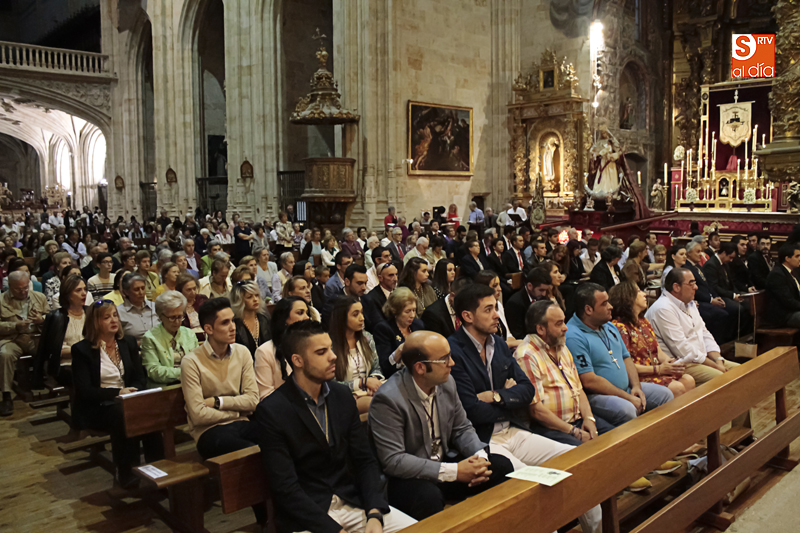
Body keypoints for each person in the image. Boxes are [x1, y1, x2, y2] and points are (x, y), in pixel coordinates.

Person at [447, 283, 602, 531]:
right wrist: (509, 397)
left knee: (577, 463)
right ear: (467, 316)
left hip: (512, 429)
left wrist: (497, 397)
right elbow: (471, 410)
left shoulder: (497, 344)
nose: (497, 314)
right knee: (533, 486)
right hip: (482, 439)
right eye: (488, 310)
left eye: (495, 308)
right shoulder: (452, 350)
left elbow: (526, 389)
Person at [255, 320, 416, 532]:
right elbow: (286, 488)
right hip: (309, 517)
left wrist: (375, 513)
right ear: (297, 360)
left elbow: (365, 461)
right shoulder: (272, 410)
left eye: (330, 348)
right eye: (321, 352)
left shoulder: (340, 396)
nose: (333, 356)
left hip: (353, 503)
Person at [369, 330, 514, 521]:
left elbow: (462, 427)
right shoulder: (388, 399)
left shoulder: (446, 382)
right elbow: (394, 460)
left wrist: (479, 458)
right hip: (408, 479)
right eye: (444, 359)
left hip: (443, 464)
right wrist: (454, 472)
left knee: (499, 466)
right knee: (428, 496)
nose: (452, 363)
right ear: (420, 368)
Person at [181, 297, 264, 527]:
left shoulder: (242, 352)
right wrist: (235, 411)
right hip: (209, 433)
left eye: (233, 321)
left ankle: (278, 513)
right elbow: (198, 415)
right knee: (251, 454)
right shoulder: (192, 362)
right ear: (208, 329)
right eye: (225, 323)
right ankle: (266, 519)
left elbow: (253, 400)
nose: (232, 327)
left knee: (278, 441)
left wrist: (217, 402)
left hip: (242, 423)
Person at [71, 300, 164, 487]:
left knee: (149, 411)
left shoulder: (127, 342)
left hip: (128, 399)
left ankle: (158, 466)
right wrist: (117, 393)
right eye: (106, 317)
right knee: (121, 414)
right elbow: (85, 391)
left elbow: (139, 376)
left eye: (115, 315)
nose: (113, 320)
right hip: (98, 406)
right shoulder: (82, 350)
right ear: (94, 322)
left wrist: (133, 391)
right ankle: (125, 471)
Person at [565, 283, 673, 427]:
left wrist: (636, 387)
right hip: (598, 396)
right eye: (604, 304)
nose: (610, 306)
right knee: (627, 410)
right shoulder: (573, 336)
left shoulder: (608, 326)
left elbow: (625, 357)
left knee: (666, 395)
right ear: (588, 309)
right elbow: (589, 380)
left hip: (627, 388)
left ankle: (668, 444)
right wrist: (627, 397)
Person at [515, 300, 616, 445]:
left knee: (618, 439)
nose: (565, 328)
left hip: (578, 419)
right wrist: (573, 431)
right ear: (540, 329)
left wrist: (589, 419)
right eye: (559, 324)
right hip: (550, 427)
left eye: (564, 322)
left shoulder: (560, 345)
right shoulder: (526, 356)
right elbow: (536, 410)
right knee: (588, 453)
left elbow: (578, 388)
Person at [646, 268, 741, 386]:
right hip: (682, 364)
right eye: (692, 283)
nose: (696, 287)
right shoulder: (663, 308)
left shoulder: (689, 303)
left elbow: (704, 333)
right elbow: (682, 349)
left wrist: (719, 360)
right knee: (722, 379)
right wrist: (714, 366)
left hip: (702, 359)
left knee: (743, 371)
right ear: (676, 287)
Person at [609, 282, 695, 397]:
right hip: (640, 376)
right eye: (639, 291)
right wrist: (658, 369)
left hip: (656, 370)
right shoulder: (619, 327)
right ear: (627, 297)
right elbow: (625, 364)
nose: (644, 294)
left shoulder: (644, 322)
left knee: (688, 380)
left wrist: (671, 363)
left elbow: (657, 351)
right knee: (677, 387)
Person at [0, 271, 49, 415]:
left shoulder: (39, 297)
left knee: (53, 348)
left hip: (34, 337)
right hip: (12, 338)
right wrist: (15, 326)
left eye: (25, 287)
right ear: (10, 286)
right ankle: (6, 395)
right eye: (18, 289)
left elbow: (51, 318)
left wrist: (42, 320)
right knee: (5, 355)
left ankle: (50, 382)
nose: (23, 291)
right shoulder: (1, 301)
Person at [330, 295, 385, 414]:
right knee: (380, 405)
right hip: (343, 396)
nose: (362, 318)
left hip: (367, 392)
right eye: (355, 314)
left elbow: (376, 367)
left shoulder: (367, 338)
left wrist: (373, 382)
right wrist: (362, 383)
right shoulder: (330, 345)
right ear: (342, 318)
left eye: (362, 313)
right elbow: (330, 383)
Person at [33, 274, 87, 388]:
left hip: (91, 362)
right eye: (78, 290)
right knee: (83, 375)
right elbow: (55, 350)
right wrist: (84, 349)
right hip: (65, 365)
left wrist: (76, 349)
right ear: (68, 295)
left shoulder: (90, 313)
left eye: (85, 289)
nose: (84, 293)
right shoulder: (57, 317)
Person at [253, 296, 309, 399]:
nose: (307, 317)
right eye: (300, 313)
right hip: (282, 410)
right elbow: (265, 396)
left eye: (307, 313)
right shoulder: (265, 351)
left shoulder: (310, 346)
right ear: (285, 319)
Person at [140, 291, 199, 387]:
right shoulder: (150, 338)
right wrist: (185, 373)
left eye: (180, 317)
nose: (177, 322)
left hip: (191, 384)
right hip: (164, 390)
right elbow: (153, 371)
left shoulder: (189, 334)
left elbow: (198, 362)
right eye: (172, 318)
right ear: (160, 316)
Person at [684, 240, 739, 344]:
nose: (701, 254)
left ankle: (726, 341)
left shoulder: (697, 266)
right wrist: (710, 300)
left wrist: (715, 297)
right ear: (689, 253)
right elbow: (696, 289)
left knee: (729, 310)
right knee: (721, 314)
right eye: (697, 251)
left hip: (709, 297)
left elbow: (708, 285)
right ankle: (716, 343)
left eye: (701, 251)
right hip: (699, 300)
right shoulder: (687, 268)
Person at [373, 287, 424, 378]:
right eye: (407, 311)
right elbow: (385, 366)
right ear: (395, 311)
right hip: (396, 378)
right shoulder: (383, 329)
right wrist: (399, 351)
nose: (412, 315)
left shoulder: (418, 325)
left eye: (414, 310)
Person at [474, 270, 520, 348]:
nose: (500, 289)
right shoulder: (478, 309)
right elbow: (488, 345)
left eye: (499, 284)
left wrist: (517, 344)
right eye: (495, 286)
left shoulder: (498, 304)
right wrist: (513, 344)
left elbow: (508, 335)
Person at [504, 267, 552, 340]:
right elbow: (518, 335)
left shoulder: (542, 297)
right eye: (541, 290)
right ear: (530, 286)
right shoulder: (514, 304)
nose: (544, 294)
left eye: (546, 290)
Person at [230, 279, 271, 358]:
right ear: (239, 301)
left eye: (256, 295)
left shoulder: (265, 319)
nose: (255, 299)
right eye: (249, 297)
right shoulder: (234, 324)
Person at [765, 243, 800, 328]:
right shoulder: (777, 275)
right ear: (787, 258)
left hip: (793, 311)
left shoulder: (794, 272)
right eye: (797, 256)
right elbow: (787, 301)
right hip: (784, 316)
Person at [117, 273, 159, 340]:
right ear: (126, 292)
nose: (141, 292)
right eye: (136, 289)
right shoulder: (119, 312)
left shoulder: (155, 306)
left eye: (143, 288)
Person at [176, 273, 206, 339]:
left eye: (194, 289)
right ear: (180, 290)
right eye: (189, 290)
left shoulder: (202, 299)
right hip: (186, 338)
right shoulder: (177, 305)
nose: (193, 292)